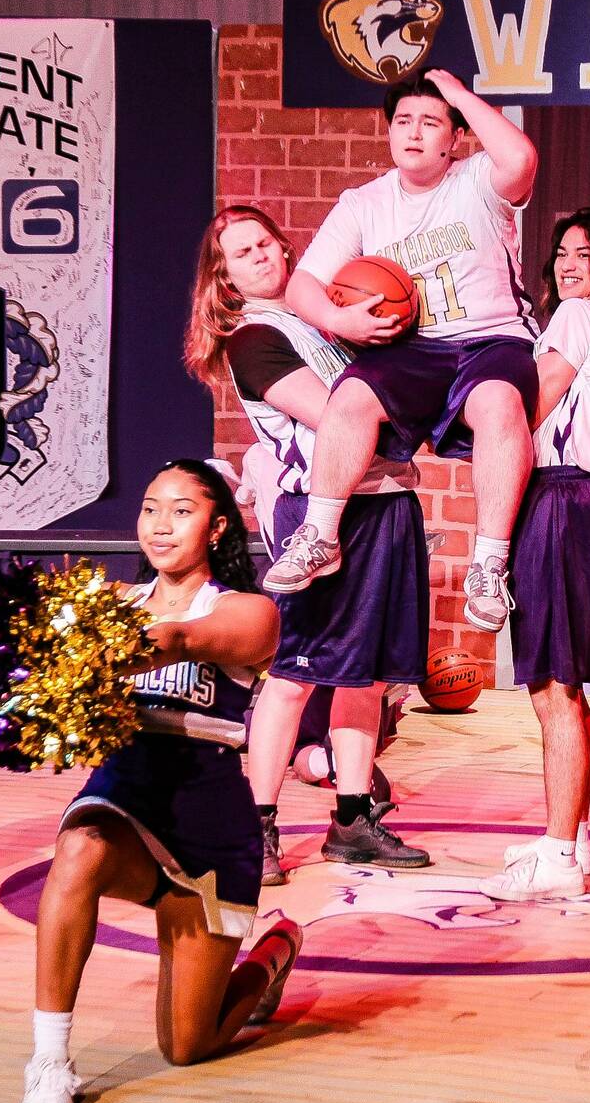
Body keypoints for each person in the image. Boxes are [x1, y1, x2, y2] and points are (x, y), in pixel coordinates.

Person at [21, 461, 303, 1103]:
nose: (160, 524)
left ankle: (274, 953)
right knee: (80, 849)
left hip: (209, 823)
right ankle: (49, 1061)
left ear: (217, 527)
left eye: (181, 510)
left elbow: (179, 638)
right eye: (150, 508)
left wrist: (95, 646)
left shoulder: (250, 611)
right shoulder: (110, 600)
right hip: (125, 791)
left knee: (187, 1045)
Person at [184, 205, 430, 882]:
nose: (261, 255)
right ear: (226, 279)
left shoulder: (325, 323)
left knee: (369, 676)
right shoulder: (254, 339)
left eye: (266, 242)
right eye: (243, 253)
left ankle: (353, 820)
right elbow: (334, 416)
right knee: (295, 674)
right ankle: (256, 827)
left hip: (386, 500)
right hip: (322, 515)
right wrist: (416, 403)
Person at [265, 69, 539, 635]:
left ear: (454, 138)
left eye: (430, 122)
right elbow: (302, 286)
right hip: (415, 346)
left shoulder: (477, 178)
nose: (413, 132)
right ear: (389, 132)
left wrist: (459, 96)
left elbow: (521, 158)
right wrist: (337, 319)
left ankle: (489, 563)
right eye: (403, 121)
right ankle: (320, 535)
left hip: (493, 338)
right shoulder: (364, 203)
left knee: (499, 404)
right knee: (351, 396)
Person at [485, 210, 590, 901]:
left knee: (554, 687)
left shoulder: (579, 315)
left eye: (585, 254)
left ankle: (558, 856)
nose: (567, 264)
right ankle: (572, 836)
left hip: (559, 497)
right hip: (585, 499)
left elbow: (528, 406)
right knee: (568, 688)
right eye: (561, 252)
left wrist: (471, 431)